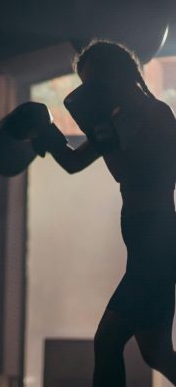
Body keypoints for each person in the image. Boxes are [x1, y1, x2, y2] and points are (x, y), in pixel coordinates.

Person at [34, 40, 176, 386]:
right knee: (155, 353)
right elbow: (73, 162)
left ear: (118, 76)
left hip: (158, 243)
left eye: (93, 83)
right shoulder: (114, 119)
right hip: (143, 243)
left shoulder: (157, 115)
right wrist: (47, 135)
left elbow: (132, 172)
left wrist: (107, 135)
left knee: (108, 340)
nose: (89, 92)